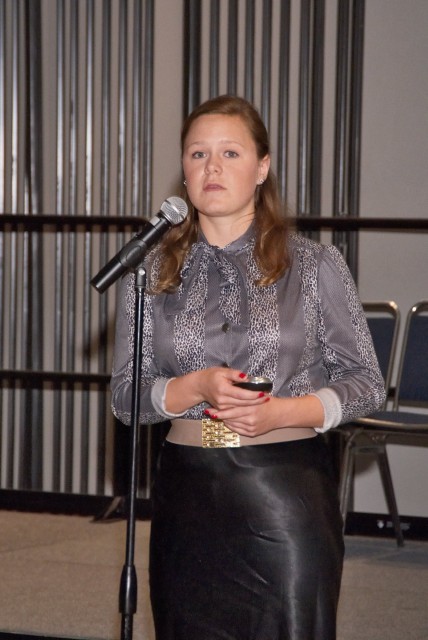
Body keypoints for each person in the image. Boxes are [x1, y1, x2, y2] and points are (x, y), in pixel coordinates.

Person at [111, 94, 385, 640]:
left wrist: (284, 411)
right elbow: (124, 397)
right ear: (183, 170)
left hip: (285, 493)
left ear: (262, 167)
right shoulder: (149, 272)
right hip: (187, 493)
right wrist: (193, 386)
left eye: (230, 153)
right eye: (198, 154)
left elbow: (367, 384)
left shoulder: (315, 264)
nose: (211, 167)